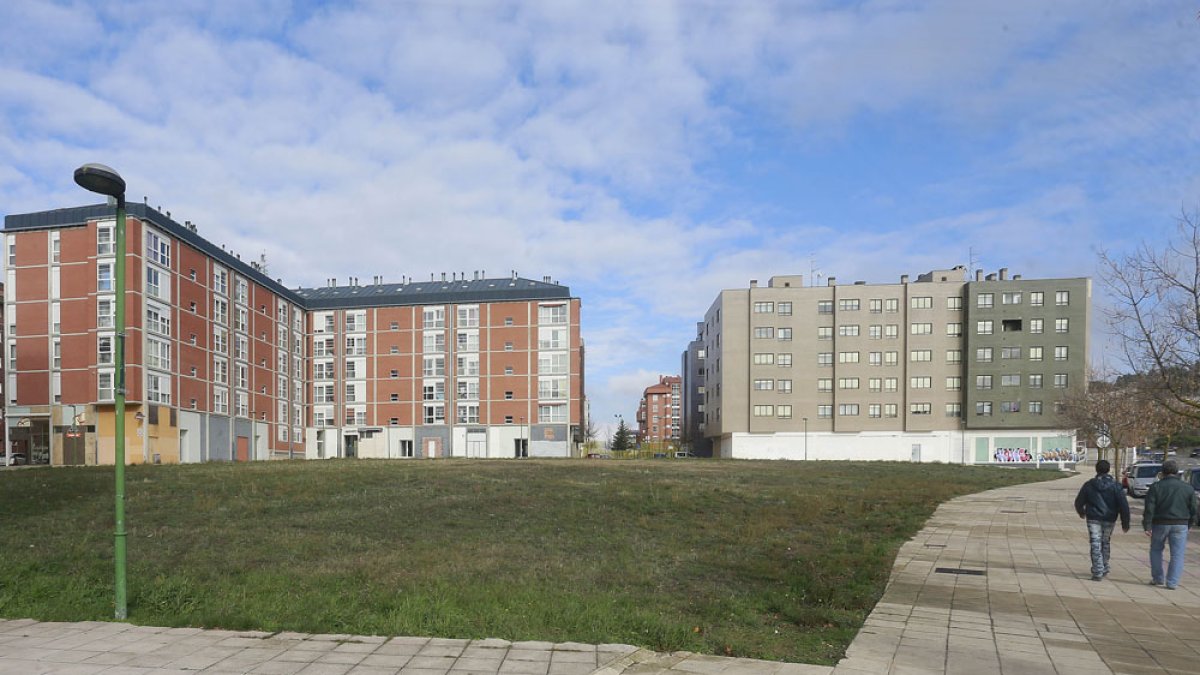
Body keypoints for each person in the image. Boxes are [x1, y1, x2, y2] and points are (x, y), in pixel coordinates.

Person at [1142, 459, 1197, 589]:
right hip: (1180, 523)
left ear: (1163, 472)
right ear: (1177, 472)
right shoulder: (1188, 488)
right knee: (1177, 554)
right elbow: (1193, 509)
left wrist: (1147, 525)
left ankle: (1158, 578)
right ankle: (1172, 582)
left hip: (1160, 522)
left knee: (1156, 550)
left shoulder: (1156, 487)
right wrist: (1189, 524)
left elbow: (1149, 508)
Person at [1074, 459, 1131, 581]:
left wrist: (1081, 512)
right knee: (1105, 541)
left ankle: (1097, 570)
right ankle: (1104, 566)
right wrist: (1125, 523)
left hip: (1093, 517)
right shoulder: (1116, 486)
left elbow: (1079, 501)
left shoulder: (1089, 485)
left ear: (1096, 469)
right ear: (1109, 469)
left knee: (1095, 542)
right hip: (1110, 518)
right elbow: (1123, 505)